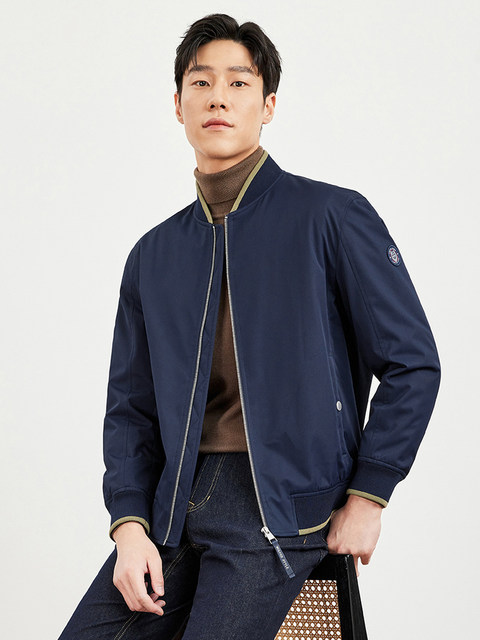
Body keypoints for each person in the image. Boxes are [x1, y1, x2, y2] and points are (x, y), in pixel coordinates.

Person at [58, 12, 441, 640]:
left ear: (268, 106)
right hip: (174, 504)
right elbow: (130, 408)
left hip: (281, 509)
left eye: (238, 83)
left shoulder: (331, 215)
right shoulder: (153, 255)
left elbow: (413, 363)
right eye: (201, 82)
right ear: (178, 105)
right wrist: (128, 525)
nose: (218, 97)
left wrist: (369, 495)